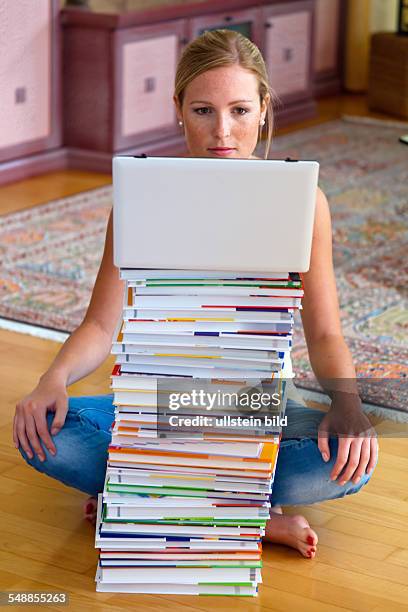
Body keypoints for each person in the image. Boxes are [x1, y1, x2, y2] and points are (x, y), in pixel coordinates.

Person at [13, 30, 377, 560]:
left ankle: (140, 501)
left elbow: (324, 332)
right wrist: (52, 379)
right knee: (43, 432)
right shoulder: (139, 198)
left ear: (265, 109)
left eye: (240, 110)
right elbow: (98, 326)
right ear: (178, 108)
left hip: (252, 413)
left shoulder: (305, 204)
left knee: (345, 461)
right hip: (154, 409)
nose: (222, 131)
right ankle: (245, 517)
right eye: (204, 109)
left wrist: (347, 403)